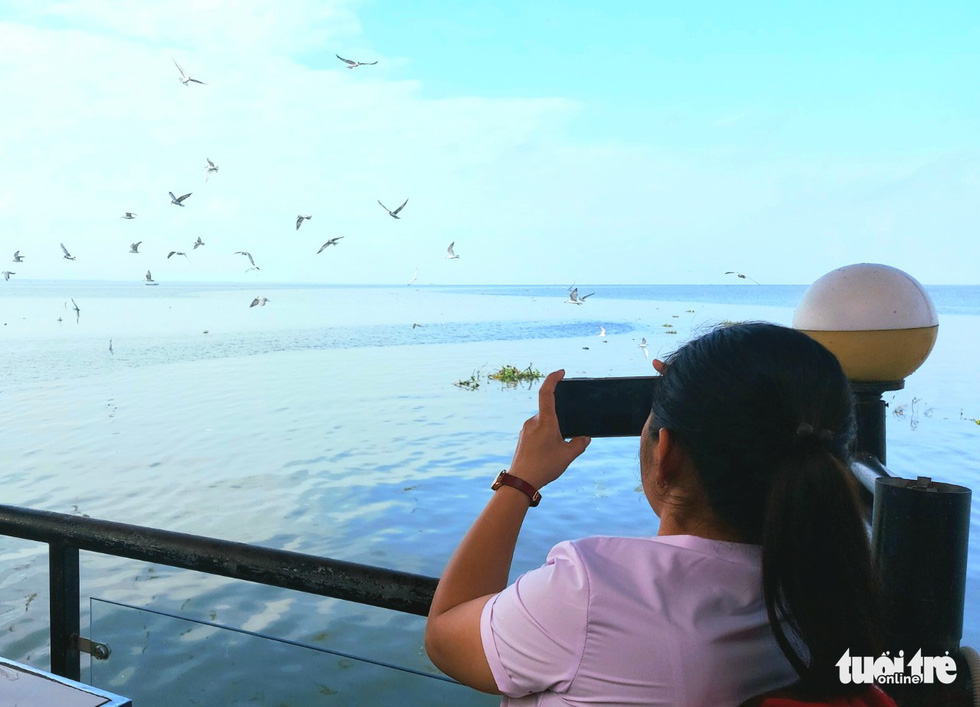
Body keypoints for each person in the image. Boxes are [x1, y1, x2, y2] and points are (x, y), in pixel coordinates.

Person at [425, 322, 891, 707]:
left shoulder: (590, 592)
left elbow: (445, 634)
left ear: (666, 453)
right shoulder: (826, 590)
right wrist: (698, 395)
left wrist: (519, 482)